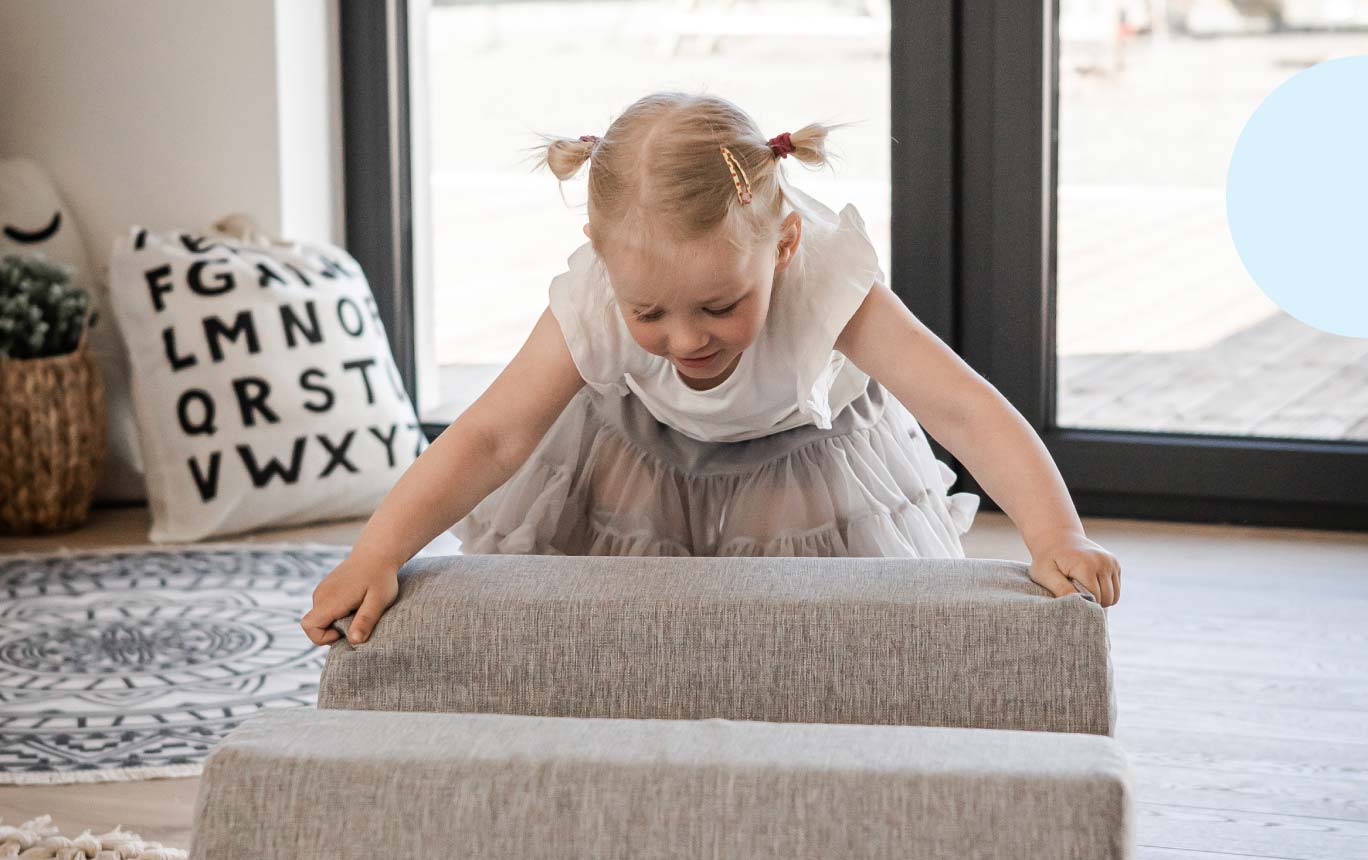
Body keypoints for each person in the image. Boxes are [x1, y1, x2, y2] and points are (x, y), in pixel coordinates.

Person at [301, 91, 1121, 647]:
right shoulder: (593, 295)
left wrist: (1056, 534)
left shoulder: (830, 280)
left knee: (808, 645)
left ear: (785, 246)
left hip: (802, 465)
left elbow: (965, 410)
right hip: (634, 457)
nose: (686, 339)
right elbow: (490, 437)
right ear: (602, 260)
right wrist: (376, 553)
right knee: (628, 643)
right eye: (648, 312)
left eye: (720, 306)